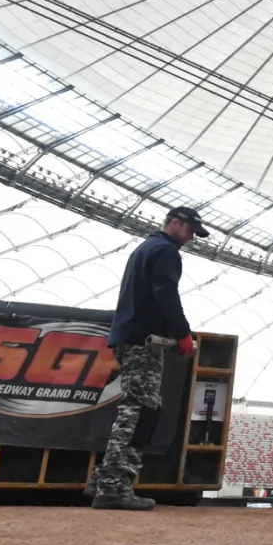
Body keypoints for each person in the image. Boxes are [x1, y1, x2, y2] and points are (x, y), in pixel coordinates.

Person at [88, 207, 206, 510]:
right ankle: (113, 487)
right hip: (144, 340)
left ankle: (103, 480)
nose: (192, 237)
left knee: (139, 408)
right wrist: (182, 333)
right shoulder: (166, 251)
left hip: (129, 336)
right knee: (139, 412)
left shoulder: (145, 248)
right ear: (175, 223)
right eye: (190, 230)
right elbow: (165, 293)